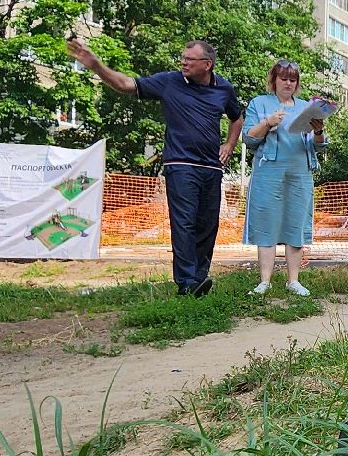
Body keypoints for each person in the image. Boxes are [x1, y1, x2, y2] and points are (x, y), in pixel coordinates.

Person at [68, 37, 241, 297]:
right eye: (182, 57)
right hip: (180, 164)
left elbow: (236, 118)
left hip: (211, 168)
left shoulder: (224, 89)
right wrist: (96, 66)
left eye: (189, 59)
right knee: (184, 223)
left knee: (208, 224)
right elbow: (126, 84)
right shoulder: (169, 81)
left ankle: (199, 278)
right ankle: (186, 282)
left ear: (207, 64)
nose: (183, 62)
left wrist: (229, 145)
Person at [241, 61, 325, 296]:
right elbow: (248, 139)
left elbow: (318, 146)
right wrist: (267, 123)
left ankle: (293, 281)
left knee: (295, 223)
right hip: (268, 172)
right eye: (284, 78)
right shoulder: (259, 103)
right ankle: (264, 282)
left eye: (293, 79)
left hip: (299, 172)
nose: (288, 83)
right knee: (267, 223)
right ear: (274, 80)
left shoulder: (306, 107)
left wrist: (318, 132)